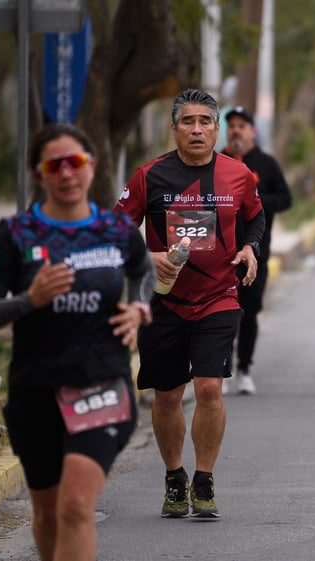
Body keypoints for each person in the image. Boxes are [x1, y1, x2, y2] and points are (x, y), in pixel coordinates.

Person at [0, 123, 155, 561]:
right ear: (40, 173)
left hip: (102, 383)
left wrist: (140, 307)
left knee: (75, 507)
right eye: (55, 165)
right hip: (36, 389)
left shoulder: (115, 228)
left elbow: (144, 272)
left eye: (76, 162)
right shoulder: (18, 233)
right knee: (50, 514)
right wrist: (30, 300)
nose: (67, 173)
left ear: (92, 167)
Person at [115, 89, 264, 520]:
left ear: (218, 130)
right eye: (187, 122)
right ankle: (174, 476)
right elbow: (116, 231)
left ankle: (204, 479)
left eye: (205, 122)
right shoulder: (149, 176)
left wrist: (251, 248)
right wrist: (147, 257)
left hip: (219, 297)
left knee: (210, 388)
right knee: (166, 396)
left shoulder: (239, 175)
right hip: (163, 303)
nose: (196, 130)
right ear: (174, 129)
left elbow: (256, 216)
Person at [221, 106, 292, 395]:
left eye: (242, 125)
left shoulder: (265, 163)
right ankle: (221, 366)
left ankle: (245, 367)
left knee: (249, 312)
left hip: (256, 251)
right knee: (222, 312)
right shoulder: (217, 161)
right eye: (232, 125)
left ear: (253, 131)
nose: (236, 130)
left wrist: (254, 200)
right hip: (220, 254)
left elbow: (285, 198)